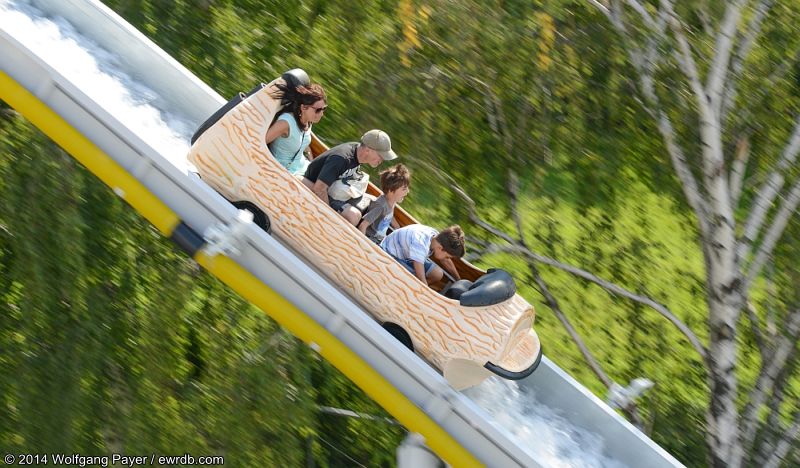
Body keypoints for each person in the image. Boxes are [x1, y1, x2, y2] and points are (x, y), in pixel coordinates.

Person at [303, 129, 398, 225]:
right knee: (354, 216)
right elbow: (319, 189)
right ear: (368, 150)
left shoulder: (358, 152)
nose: (382, 160)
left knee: (373, 199)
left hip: (333, 190)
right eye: (381, 155)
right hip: (314, 188)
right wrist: (328, 217)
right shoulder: (341, 159)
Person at [265, 83, 327, 176]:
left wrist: (311, 162)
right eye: (318, 110)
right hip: (284, 172)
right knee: (321, 184)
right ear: (303, 107)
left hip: (301, 167)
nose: (321, 114)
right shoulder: (285, 123)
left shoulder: (308, 121)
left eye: (323, 109)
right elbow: (260, 143)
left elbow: (304, 145)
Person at [380, 224, 465, 286]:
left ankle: (413, 288)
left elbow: (445, 261)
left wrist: (458, 280)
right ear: (440, 248)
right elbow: (421, 278)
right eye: (447, 256)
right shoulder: (420, 245)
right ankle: (408, 289)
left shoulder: (436, 237)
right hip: (389, 255)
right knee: (415, 279)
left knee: (437, 274)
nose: (447, 258)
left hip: (407, 255)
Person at [357, 164, 410, 243]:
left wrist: (397, 227)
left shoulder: (391, 202)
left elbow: (388, 215)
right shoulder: (380, 206)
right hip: (371, 240)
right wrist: (362, 244)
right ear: (390, 191)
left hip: (380, 239)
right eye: (404, 189)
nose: (407, 191)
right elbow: (363, 226)